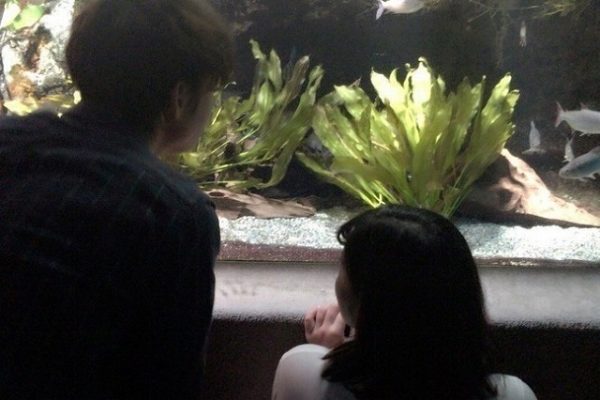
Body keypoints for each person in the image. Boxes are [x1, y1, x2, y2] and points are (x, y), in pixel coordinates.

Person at [0, 0, 233, 398]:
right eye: (210, 91)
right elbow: (171, 381)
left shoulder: (10, 143)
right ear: (179, 98)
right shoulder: (176, 213)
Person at [272, 205, 537, 400]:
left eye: (342, 268)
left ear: (367, 302)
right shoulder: (516, 394)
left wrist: (327, 357)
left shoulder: (301, 372)